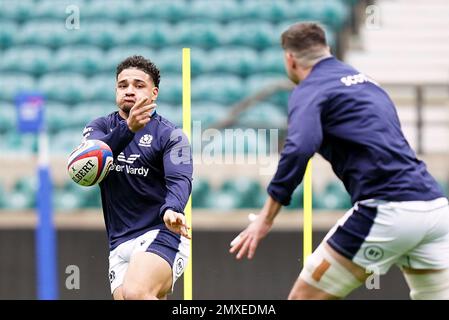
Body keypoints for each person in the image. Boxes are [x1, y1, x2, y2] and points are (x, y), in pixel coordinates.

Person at [230, 22, 449, 300]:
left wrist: (266, 217)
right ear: (328, 50)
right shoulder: (367, 82)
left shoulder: (311, 90)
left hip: (388, 210)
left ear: (290, 59)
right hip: (434, 207)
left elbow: (298, 148)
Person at [81, 55, 192, 300]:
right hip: (118, 244)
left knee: (137, 292)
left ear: (154, 93)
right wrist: (127, 130)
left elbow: (180, 179)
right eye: (123, 85)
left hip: (161, 232)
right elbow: (90, 159)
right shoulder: (99, 127)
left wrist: (173, 208)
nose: (129, 91)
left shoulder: (171, 135)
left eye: (138, 85)